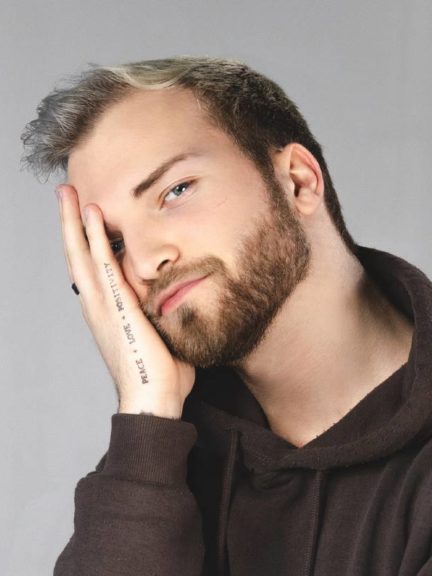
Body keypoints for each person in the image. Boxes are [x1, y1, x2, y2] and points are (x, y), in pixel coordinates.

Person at [21, 57, 432, 576]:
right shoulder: (160, 455)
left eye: (175, 191)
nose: (145, 264)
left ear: (298, 181)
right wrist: (146, 414)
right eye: (115, 244)